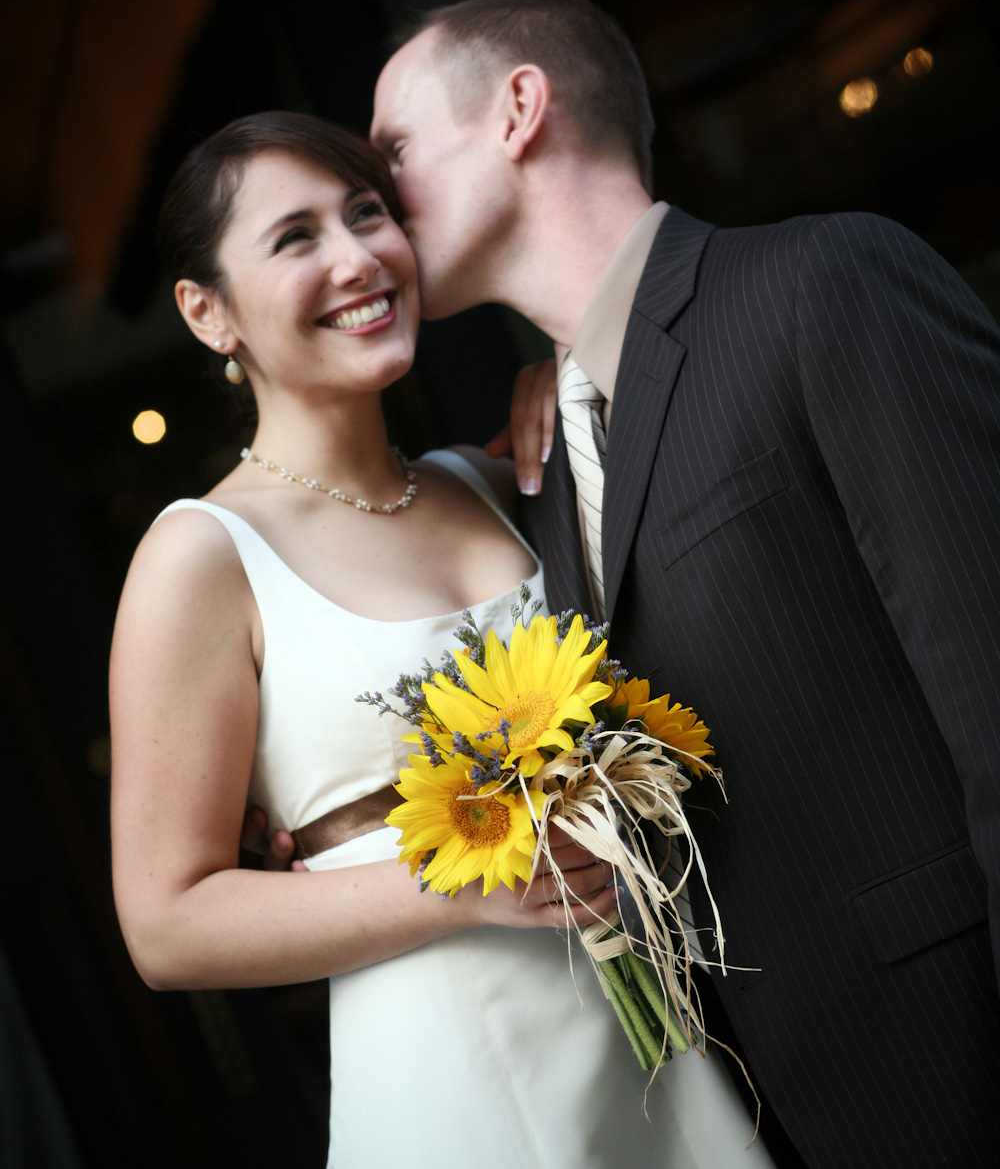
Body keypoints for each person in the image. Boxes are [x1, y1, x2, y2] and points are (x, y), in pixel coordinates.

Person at [362, 0, 1000, 1168]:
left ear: (518, 108)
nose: (376, 206)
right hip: (770, 1115)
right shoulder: (545, 464)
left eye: (393, 150)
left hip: (959, 1053)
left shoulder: (824, 283)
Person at [109, 111, 772, 1168]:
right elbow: (166, 925)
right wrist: (468, 883)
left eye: (367, 214)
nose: (357, 257)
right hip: (456, 1053)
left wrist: (565, 379)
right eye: (296, 238)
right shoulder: (203, 556)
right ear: (206, 311)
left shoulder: (490, 476)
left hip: (652, 1022)